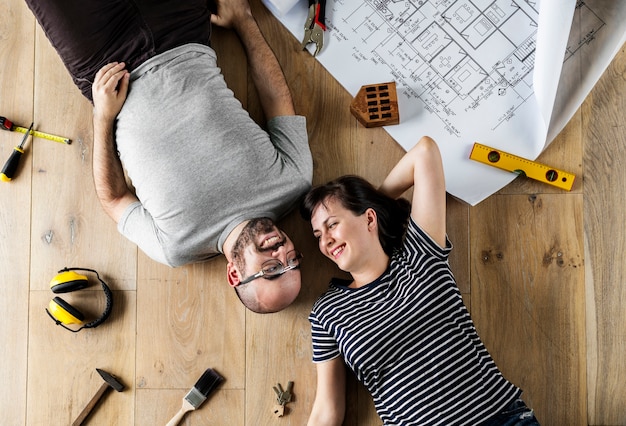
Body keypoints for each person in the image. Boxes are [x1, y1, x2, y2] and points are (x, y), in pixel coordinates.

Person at [25, 0, 313, 313]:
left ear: (234, 273)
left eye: (271, 270)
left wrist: (103, 117)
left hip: (105, 63)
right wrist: (244, 20)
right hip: (182, 30)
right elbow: (276, 99)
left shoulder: (174, 248)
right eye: (292, 261)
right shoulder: (294, 181)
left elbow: (115, 200)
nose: (282, 253)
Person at [300, 136, 540, 425]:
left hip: (496, 418)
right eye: (318, 236)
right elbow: (327, 409)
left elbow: (425, 152)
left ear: (369, 219)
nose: (326, 241)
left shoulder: (420, 252)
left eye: (332, 224)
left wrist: (374, 201)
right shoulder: (327, 313)